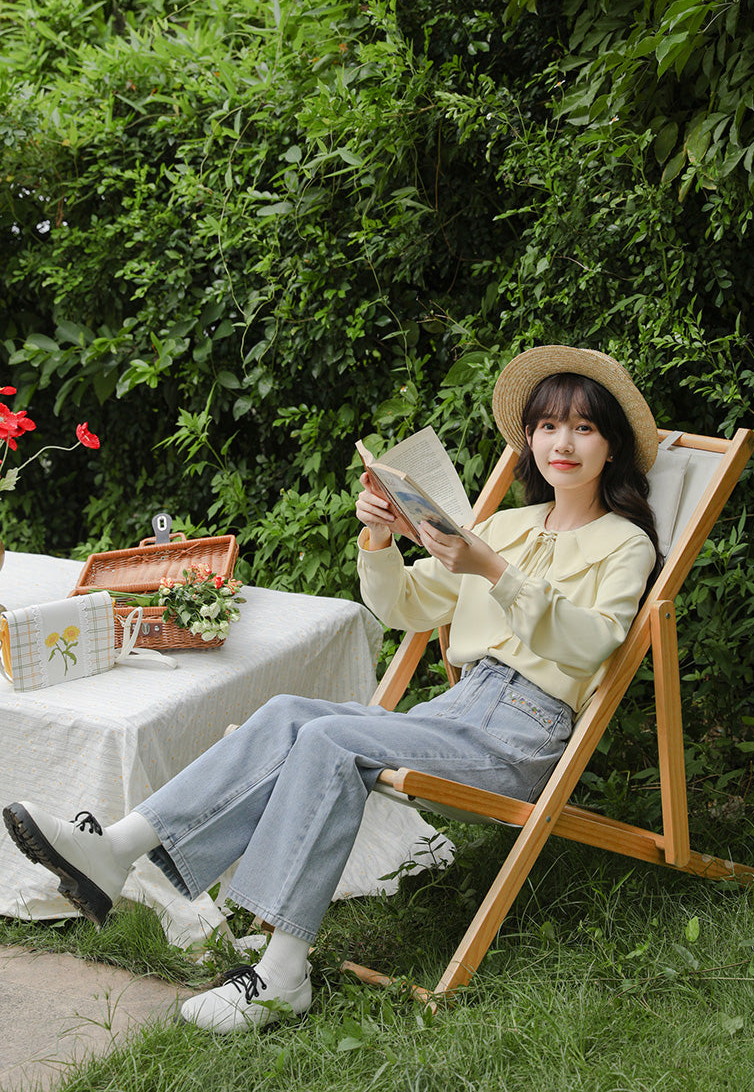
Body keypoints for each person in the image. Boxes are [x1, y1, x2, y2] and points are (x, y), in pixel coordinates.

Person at [3, 345, 660, 1035]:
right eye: (548, 425)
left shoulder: (624, 544)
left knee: (331, 735)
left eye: (584, 427)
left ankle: (282, 973)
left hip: (521, 731)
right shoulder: (504, 527)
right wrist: (378, 538)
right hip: (457, 710)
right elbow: (405, 606)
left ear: (611, 446)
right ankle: (113, 851)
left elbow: (592, 643)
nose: (563, 442)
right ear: (528, 438)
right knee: (290, 712)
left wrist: (492, 569)